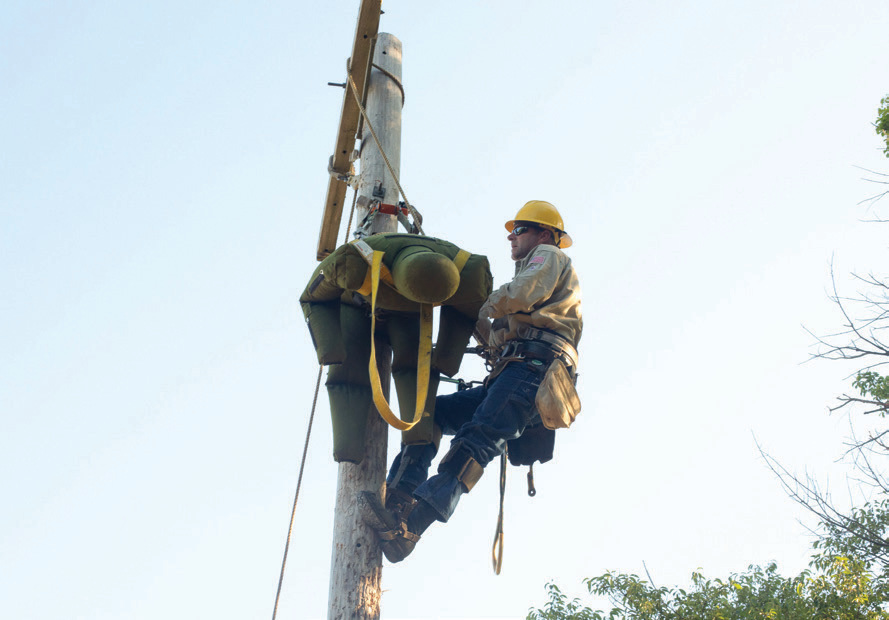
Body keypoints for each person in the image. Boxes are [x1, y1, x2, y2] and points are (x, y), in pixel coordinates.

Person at [359, 200, 582, 562]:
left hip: (533, 369)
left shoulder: (548, 257)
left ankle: (413, 525)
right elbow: (501, 328)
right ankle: (398, 498)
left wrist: (483, 304)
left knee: (476, 441)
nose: (511, 237)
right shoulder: (536, 274)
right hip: (515, 371)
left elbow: (521, 294)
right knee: (430, 414)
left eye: (519, 230)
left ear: (545, 234)